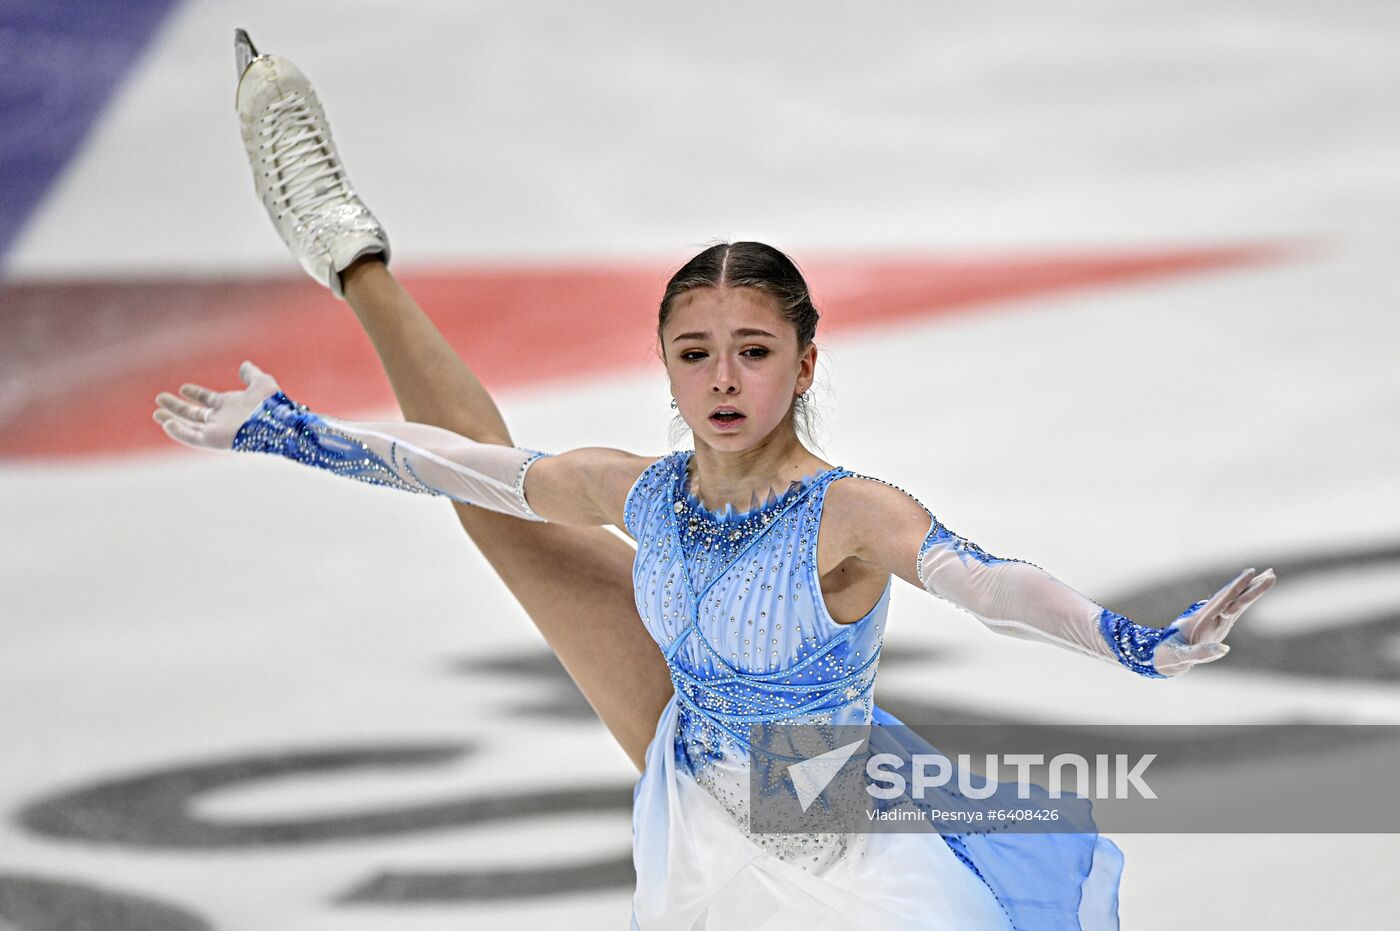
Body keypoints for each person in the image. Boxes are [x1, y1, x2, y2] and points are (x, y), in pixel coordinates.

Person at [154, 33, 1276, 929]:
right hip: (693, 771)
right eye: (695, 353)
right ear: (665, 367)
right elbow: (464, 462)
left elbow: (987, 585)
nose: (724, 378)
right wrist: (288, 431)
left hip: (818, 807)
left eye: (753, 350)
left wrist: (1128, 642)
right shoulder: (638, 490)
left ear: (803, 364)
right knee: (502, 518)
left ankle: (352, 257)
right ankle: (349, 251)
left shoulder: (847, 511)